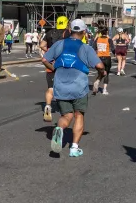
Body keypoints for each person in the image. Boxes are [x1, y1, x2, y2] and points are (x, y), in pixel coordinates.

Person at [42, 19, 106, 157]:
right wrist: (102, 74)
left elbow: (44, 59)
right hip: (79, 86)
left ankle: (59, 129)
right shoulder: (85, 48)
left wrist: (54, 69)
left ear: (70, 31)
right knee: (78, 115)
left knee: (66, 116)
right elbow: (100, 66)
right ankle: (74, 148)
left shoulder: (60, 44)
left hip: (60, 85)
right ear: (83, 33)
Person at [40, 18, 67, 122]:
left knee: (50, 88)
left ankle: (47, 106)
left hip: (50, 63)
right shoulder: (67, 33)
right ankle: (63, 108)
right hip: (63, 64)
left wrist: (50, 51)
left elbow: (42, 45)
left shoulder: (50, 32)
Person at [92, 27, 114, 95]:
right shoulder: (109, 40)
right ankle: (104, 90)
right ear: (107, 32)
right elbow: (113, 49)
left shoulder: (97, 39)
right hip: (107, 57)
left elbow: (93, 48)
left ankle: (97, 81)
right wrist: (115, 54)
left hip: (99, 58)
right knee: (106, 73)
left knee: (101, 72)